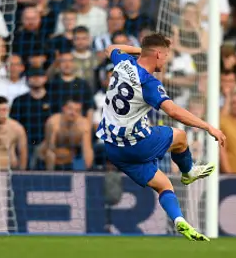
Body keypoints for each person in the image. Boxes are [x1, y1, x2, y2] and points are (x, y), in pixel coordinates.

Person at [95, 35, 226, 241]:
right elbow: (173, 111)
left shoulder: (122, 63)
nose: (165, 61)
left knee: (164, 185)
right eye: (165, 56)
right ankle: (189, 171)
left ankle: (179, 220)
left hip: (113, 149)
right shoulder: (148, 83)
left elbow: (110, 47)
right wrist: (208, 126)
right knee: (180, 136)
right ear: (157, 54)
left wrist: (141, 51)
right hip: (137, 144)